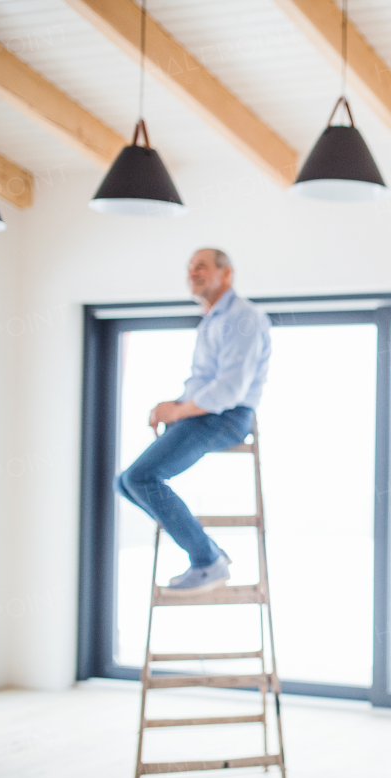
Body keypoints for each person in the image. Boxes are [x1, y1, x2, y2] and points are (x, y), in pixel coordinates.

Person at [115, 248, 272, 596]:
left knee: (140, 477)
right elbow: (205, 381)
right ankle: (208, 552)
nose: (192, 273)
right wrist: (173, 406)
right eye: (189, 268)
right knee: (125, 483)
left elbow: (228, 390)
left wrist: (178, 411)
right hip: (203, 413)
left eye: (201, 266)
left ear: (226, 274)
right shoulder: (212, 320)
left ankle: (206, 559)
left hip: (226, 417)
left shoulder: (243, 317)